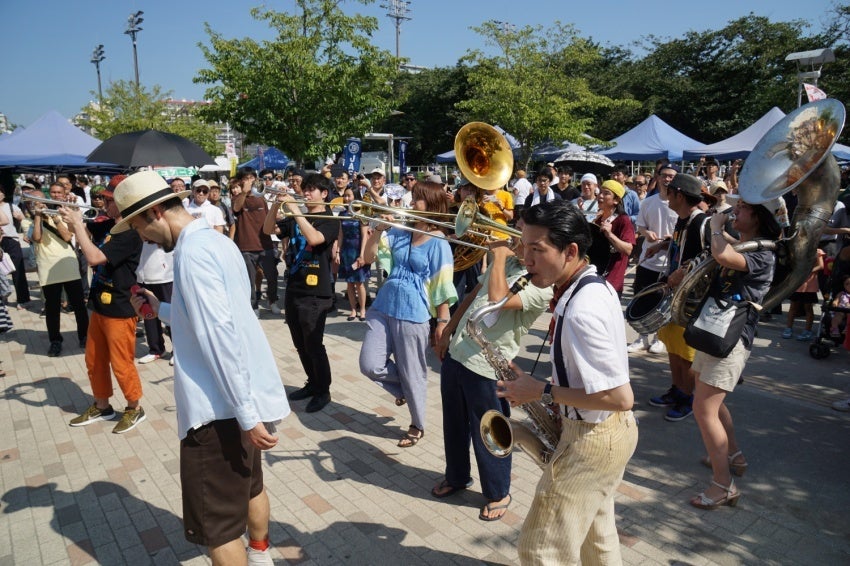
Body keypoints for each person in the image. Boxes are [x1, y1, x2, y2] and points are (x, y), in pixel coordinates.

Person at [115, 170, 289, 565]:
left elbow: (219, 335)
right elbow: (216, 318)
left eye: (139, 225)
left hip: (218, 410)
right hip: (240, 400)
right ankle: (261, 556)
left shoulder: (192, 255)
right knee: (249, 488)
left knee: (219, 527)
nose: (141, 237)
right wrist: (160, 308)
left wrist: (245, 414)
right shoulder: (216, 241)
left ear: (156, 212)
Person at [497, 200, 637, 565]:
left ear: (571, 251)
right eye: (522, 247)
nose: (525, 260)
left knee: (541, 549)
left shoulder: (580, 309)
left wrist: (541, 391)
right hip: (608, 433)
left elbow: (621, 397)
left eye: (536, 250)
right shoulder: (592, 284)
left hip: (593, 439)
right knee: (597, 537)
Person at [433, 239, 552, 521]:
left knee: (490, 434)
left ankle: (498, 492)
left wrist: (497, 256)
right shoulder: (509, 261)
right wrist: (449, 327)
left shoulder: (542, 285)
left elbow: (496, 297)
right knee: (454, 424)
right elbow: (476, 293)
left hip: (487, 367)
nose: (515, 240)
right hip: (459, 353)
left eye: (527, 237)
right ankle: (457, 476)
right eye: (519, 231)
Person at [690, 195, 780, 510]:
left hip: (731, 339)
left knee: (703, 409)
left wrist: (715, 225)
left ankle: (722, 485)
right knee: (710, 401)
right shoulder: (745, 243)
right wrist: (714, 226)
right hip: (716, 332)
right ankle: (734, 457)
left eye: (741, 208)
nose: (735, 211)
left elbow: (724, 256)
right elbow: (721, 246)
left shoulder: (764, 253)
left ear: (758, 217)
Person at [359, 181, 458, 447]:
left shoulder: (439, 242)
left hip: (414, 312)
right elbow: (369, 258)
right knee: (369, 364)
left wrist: (443, 321)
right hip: (383, 305)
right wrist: (379, 227)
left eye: (417, 200)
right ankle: (403, 388)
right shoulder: (401, 232)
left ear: (433, 204)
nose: (411, 204)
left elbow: (443, 284)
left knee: (414, 370)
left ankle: (417, 423)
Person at [62, 176, 146, 435]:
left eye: (109, 200)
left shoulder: (130, 232)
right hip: (100, 303)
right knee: (94, 359)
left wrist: (76, 223)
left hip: (120, 306)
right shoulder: (111, 226)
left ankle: (134, 407)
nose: (104, 204)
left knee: (121, 363)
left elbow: (94, 257)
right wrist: (76, 222)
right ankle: (102, 405)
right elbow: (86, 240)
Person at [267, 173, 338, 413]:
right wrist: (277, 204)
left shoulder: (329, 219)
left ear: (324, 194)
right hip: (294, 288)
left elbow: (315, 238)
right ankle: (312, 382)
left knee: (314, 343)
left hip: (316, 293)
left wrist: (296, 211)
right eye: (304, 189)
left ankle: (323, 390)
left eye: (311, 190)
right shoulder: (296, 215)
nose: (306, 193)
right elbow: (268, 228)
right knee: (300, 343)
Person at [648, 173, 712, 422]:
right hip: (675, 295)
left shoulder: (701, 222)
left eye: (670, 191)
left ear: (680, 196)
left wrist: (683, 271)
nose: (666, 195)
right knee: (673, 347)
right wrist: (662, 245)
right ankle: (677, 389)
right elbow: (682, 246)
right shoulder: (682, 221)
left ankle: (688, 396)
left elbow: (711, 256)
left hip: (691, 300)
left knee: (686, 353)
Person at [29, 182, 89, 357]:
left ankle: (84, 336)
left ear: (64, 194)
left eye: (58, 193)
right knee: (52, 307)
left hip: (67, 262)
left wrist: (56, 218)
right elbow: (37, 238)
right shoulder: (37, 213)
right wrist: (39, 216)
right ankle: (55, 341)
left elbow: (67, 235)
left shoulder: (67, 211)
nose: (55, 195)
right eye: (53, 192)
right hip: (48, 265)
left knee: (78, 304)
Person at [231, 167, 280, 315]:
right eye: (246, 178)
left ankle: (272, 301)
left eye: (252, 178)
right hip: (246, 246)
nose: (249, 181)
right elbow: (236, 208)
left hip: (266, 244)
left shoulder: (262, 197)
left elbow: (268, 218)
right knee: (249, 280)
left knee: (272, 276)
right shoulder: (237, 198)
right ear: (241, 181)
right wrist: (244, 192)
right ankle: (254, 305)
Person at [588, 180, 635, 294]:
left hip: (612, 281)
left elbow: (628, 250)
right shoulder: (598, 220)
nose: (600, 196)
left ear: (616, 200)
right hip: (595, 277)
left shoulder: (623, 220)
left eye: (606, 193)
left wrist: (609, 235)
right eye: (600, 192)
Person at [335, 186, 370, 321]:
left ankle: (362, 310)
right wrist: (338, 251)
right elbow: (340, 234)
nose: (346, 198)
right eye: (345, 195)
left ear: (356, 197)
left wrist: (362, 255)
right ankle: (353, 310)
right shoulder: (342, 214)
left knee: (359, 282)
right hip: (346, 251)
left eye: (349, 195)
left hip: (358, 249)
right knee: (349, 283)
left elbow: (364, 236)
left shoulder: (361, 214)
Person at [781, 248, 824, 341]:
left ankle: (807, 330)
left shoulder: (817, 251)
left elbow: (821, 266)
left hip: (810, 285)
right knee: (793, 307)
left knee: (808, 308)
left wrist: (808, 271)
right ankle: (788, 328)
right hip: (797, 284)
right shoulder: (797, 250)